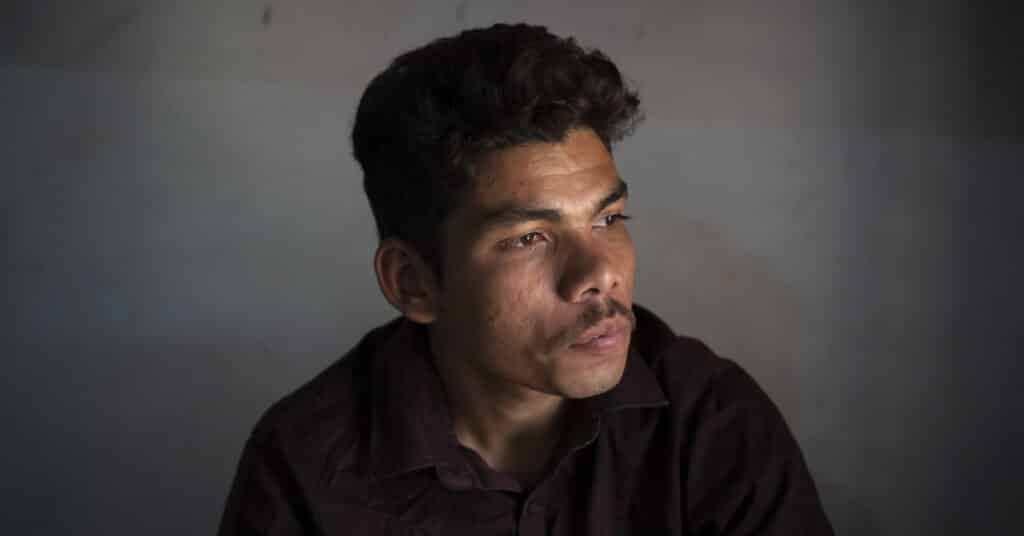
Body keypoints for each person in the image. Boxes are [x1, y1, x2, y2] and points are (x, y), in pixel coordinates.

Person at [217, 23, 834, 535]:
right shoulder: (307, 463)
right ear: (413, 283)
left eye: (609, 218)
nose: (598, 276)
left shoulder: (709, 421)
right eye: (529, 238)